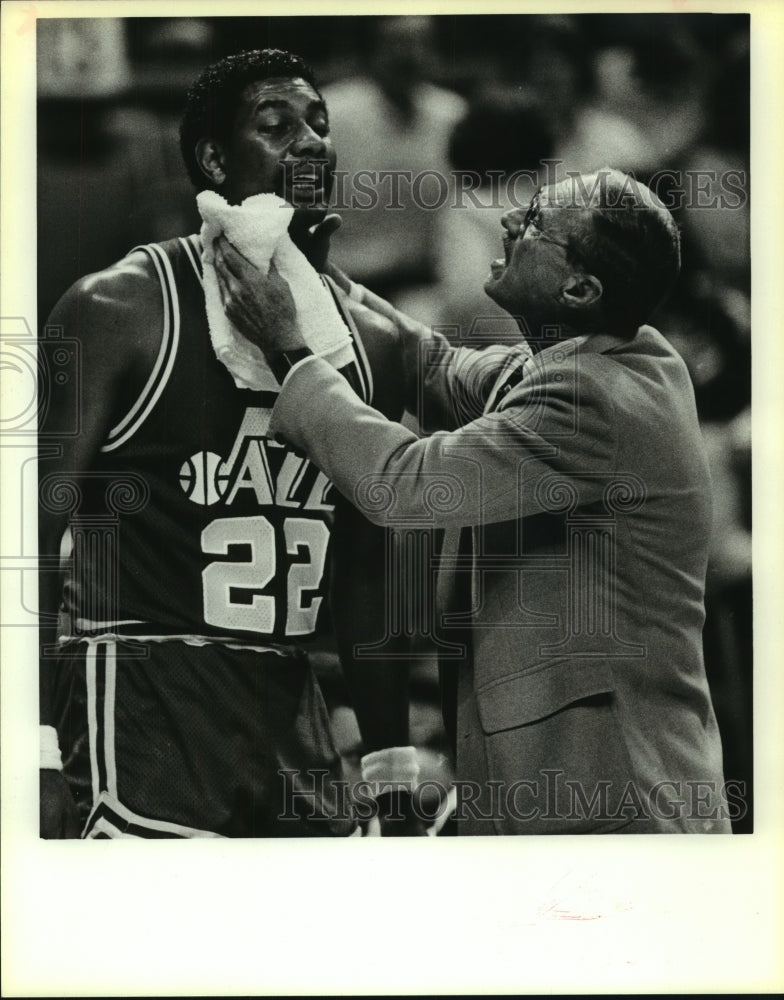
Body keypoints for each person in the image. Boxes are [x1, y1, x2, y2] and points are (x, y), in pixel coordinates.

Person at [213, 169, 734, 834]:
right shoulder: (581, 367)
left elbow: (399, 482)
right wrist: (320, 279)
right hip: (581, 799)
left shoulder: (590, 402)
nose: (511, 222)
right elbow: (425, 362)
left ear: (579, 287)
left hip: (618, 805)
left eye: (538, 223)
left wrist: (288, 341)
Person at [38, 48, 424, 839]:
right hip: (145, 701)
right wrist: (31, 744)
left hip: (293, 711)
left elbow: (364, 578)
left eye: (320, 123)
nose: (312, 141)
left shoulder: (375, 337)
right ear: (215, 158)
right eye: (277, 126)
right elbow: (33, 533)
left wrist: (391, 775)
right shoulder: (121, 306)